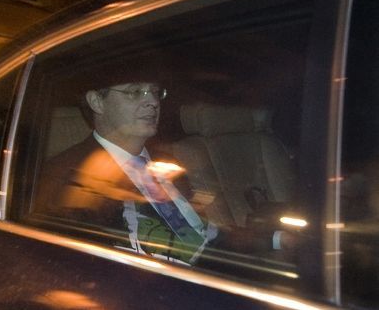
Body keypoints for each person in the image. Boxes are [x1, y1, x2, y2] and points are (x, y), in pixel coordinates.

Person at [36, 78, 293, 266]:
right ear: (96, 101)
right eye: (135, 92)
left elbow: (203, 237)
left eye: (155, 92)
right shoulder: (67, 177)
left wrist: (278, 239)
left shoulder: (165, 163)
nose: (152, 102)